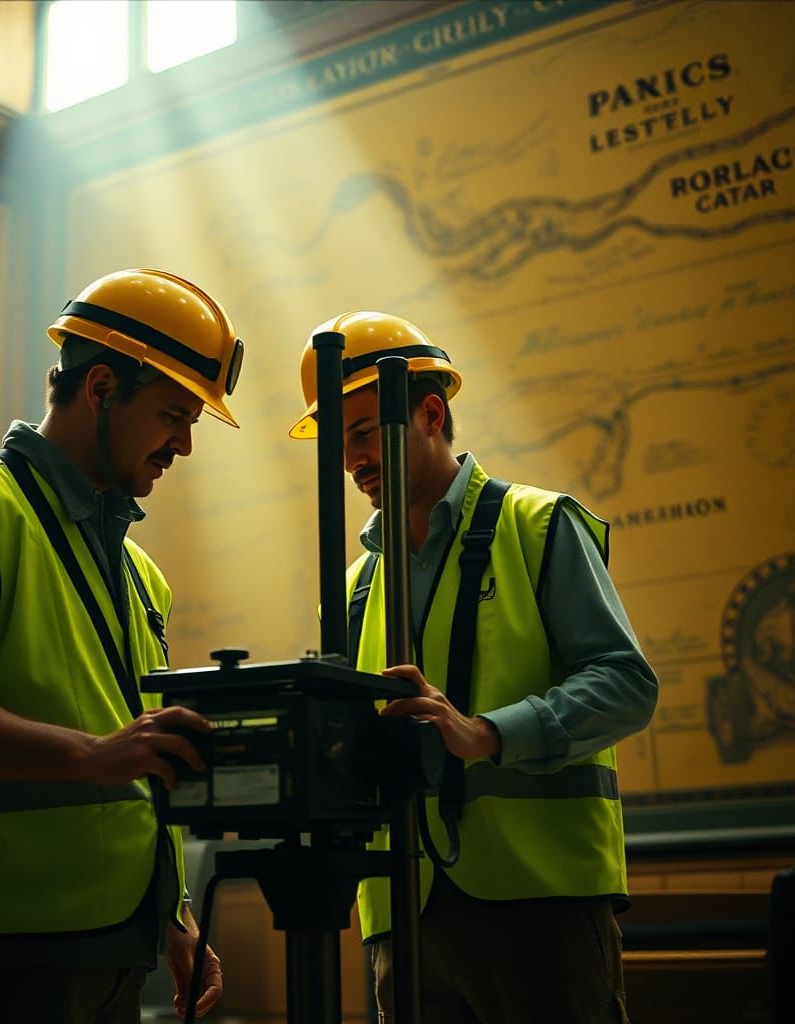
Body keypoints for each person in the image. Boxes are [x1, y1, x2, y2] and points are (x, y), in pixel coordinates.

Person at [0, 268, 246, 1023]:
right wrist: (90, 755)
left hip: (102, 939)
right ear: (101, 387)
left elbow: (139, 750)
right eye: (174, 414)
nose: (186, 445)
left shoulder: (138, 574)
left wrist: (168, 910)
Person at [289, 311, 659, 1024]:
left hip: (541, 903)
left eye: (363, 431)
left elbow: (626, 683)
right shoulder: (354, 587)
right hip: (402, 907)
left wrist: (487, 732)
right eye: (338, 441)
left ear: (431, 413)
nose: (352, 459)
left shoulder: (540, 525)